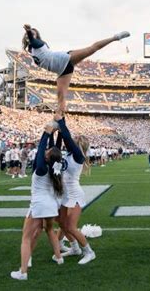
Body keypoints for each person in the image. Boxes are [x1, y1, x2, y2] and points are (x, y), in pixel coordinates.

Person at [22, 24, 130, 112]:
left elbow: (33, 40)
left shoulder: (37, 44)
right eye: (28, 35)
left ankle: (115, 37)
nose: (30, 35)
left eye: (32, 34)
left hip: (64, 59)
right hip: (61, 70)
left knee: (91, 49)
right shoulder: (32, 50)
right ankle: (59, 122)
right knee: (61, 99)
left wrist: (28, 31)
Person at [10, 123, 64, 281]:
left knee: (26, 238)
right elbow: (55, 150)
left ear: (47, 156)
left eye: (47, 152)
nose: (46, 151)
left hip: (39, 205)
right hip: (52, 206)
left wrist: (46, 133)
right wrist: (56, 134)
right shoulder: (56, 167)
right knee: (49, 230)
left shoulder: (41, 168)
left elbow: (41, 150)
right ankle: (59, 258)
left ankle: (23, 272)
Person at [54, 112, 96, 265]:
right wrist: (60, 119)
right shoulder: (68, 154)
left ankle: (89, 252)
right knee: (62, 223)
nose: (70, 142)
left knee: (71, 227)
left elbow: (66, 137)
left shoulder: (78, 156)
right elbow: (61, 141)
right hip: (64, 194)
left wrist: (61, 122)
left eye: (74, 141)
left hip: (75, 194)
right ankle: (74, 248)